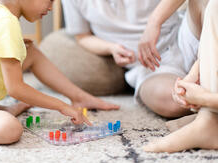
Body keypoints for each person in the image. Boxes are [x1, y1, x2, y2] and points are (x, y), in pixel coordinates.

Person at [0, 0, 120, 145]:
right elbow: (16, 89)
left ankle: (78, 97)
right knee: (9, 129)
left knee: (30, 51)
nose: (51, 7)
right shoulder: (5, 22)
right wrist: (61, 106)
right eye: (49, 0)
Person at [62, 0, 196, 118]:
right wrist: (111, 48)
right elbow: (83, 37)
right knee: (176, 102)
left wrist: (154, 22)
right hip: (151, 68)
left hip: (184, 37)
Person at [141, 0, 218, 153]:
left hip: (178, 41)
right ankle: (209, 119)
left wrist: (205, 99)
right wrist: (195, 72)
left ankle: (210, 120)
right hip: (155, 65)